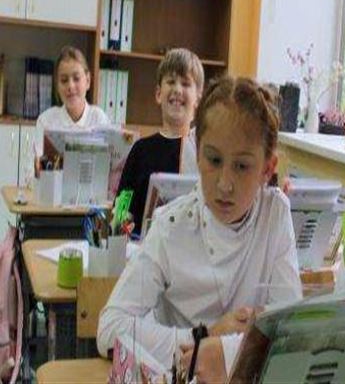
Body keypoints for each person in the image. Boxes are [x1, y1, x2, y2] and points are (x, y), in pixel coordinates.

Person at [97, 76, 302, 382]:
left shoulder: (275, 214)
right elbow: (110, 328)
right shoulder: (171, 226)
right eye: (214, 160)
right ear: (197, 152)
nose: (224, 184)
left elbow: (292, 334)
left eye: (242, 166)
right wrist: (206, 336)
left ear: (267, 169)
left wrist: (225, 351)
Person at [116, 48, 204, 235]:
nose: (177, 89)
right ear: (158, 93)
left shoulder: (204, 152)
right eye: (171, 82)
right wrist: (121, 221)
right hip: (143, 246)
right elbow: (121, 206)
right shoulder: (140, 150)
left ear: (198, 98)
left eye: (186, 83)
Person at [34, 46, 110, 160]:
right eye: (64, 80)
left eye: (76, 78)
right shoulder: (46, 121)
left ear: (88, 81)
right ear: (57, 86)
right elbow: (37, 166)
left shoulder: (100, 119)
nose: (70, 86)